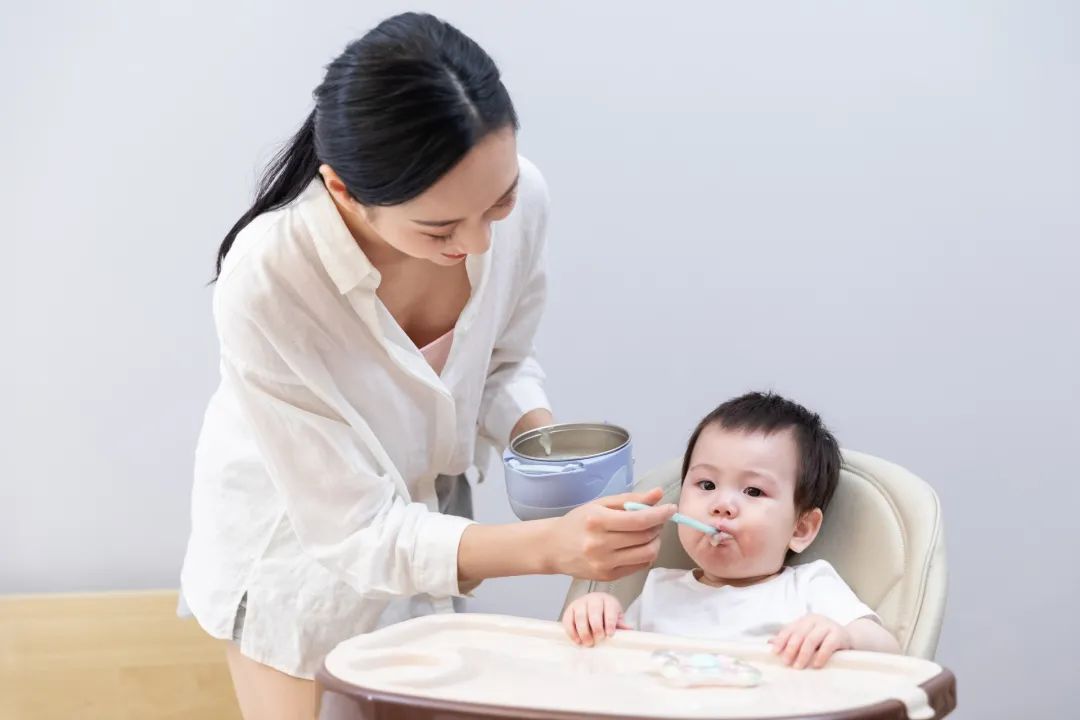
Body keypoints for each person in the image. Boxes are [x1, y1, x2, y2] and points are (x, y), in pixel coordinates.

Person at [179, 12, 675, 718]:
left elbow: (501, 361)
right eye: (439, 229)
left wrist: (551, 454)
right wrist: (549, 548)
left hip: (428, 524)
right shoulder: (270, 279)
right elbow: (353, 529)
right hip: (295, 548)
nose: (478, 243)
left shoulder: (522, 200)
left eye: (498, 204)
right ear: (343, 191)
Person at [562, 392, 901, 669]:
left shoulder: (808, 587)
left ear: (801, 528)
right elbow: (613, 668)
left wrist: (845, 636)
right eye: (706, 485)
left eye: (753, 491)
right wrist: (596, 615)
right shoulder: (658, 591)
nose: (722, 504)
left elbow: (890, 651)